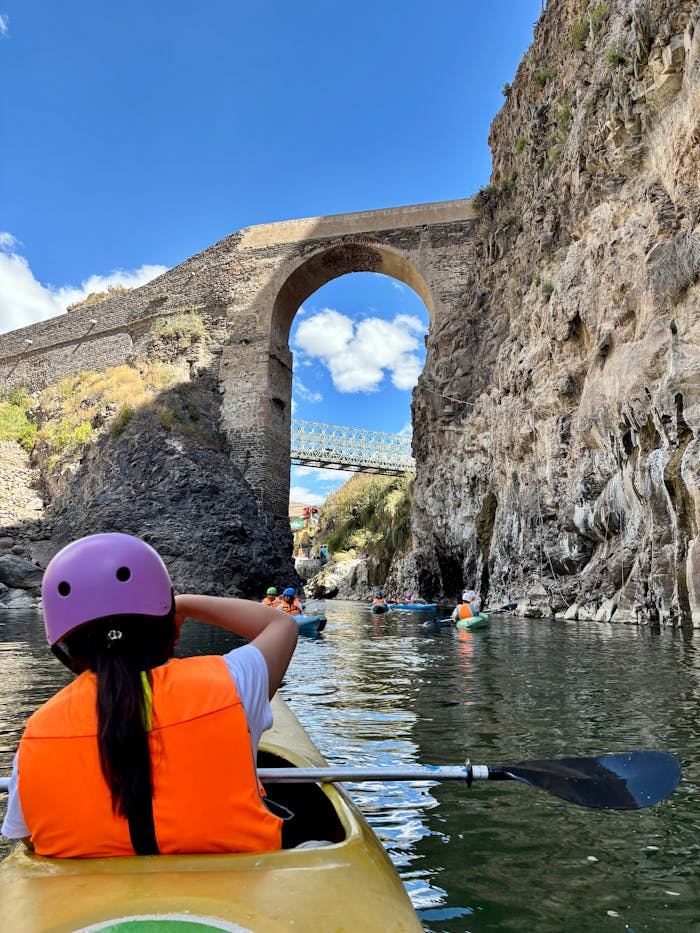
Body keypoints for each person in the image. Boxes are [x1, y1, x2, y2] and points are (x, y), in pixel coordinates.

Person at [1, 532, 298, 858]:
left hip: (96, 900)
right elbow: (281, 626)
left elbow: (28, 838)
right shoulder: (233, 683)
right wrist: (182, 604)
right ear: (170, 628)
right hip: (236, 893)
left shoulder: (38, 734)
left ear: (65, 649)